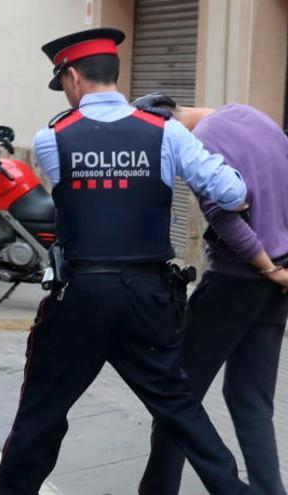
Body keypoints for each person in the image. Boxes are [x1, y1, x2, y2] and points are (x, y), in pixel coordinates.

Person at [0, 28, 251, 494]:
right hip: (149, 299)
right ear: (117, 73)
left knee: (43, 410)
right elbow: (233, 193)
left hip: (81, 297)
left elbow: (71, 192)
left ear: (72, 75)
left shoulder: (52, 139)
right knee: (179, 409)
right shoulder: (166, 131)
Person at [132, 94, 288, 494]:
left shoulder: (198, 143)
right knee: (250, 399)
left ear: (166, 126)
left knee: (177, 396)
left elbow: (225, 217)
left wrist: (265, 265)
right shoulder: (252, 114)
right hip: (277, 282)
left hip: (238, 280)